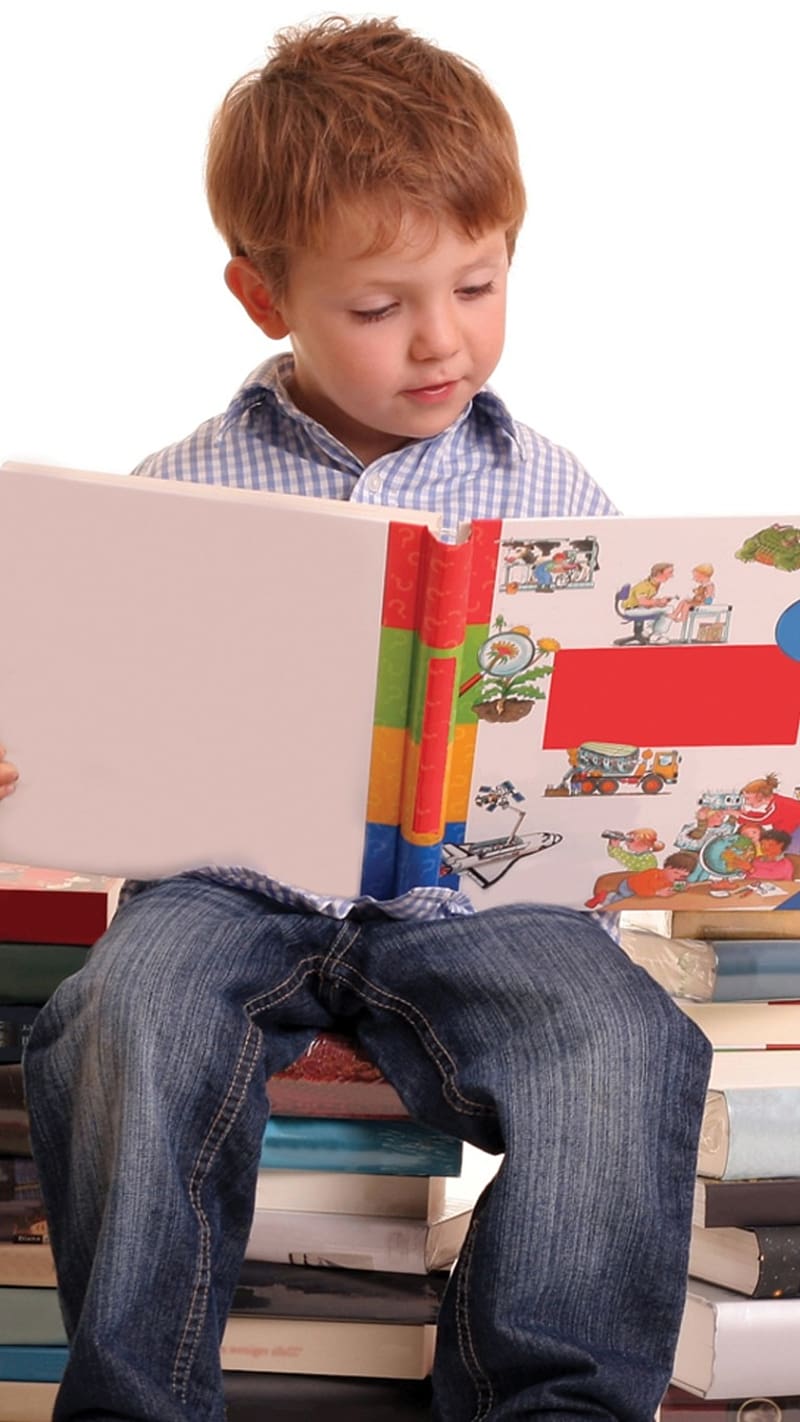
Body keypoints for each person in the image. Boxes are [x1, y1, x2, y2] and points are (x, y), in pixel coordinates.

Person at [2, 18, 711, 1422]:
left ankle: (552, 1401)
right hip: (228, 882)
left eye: (479, 282)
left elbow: (610, 738)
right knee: (120, 1013)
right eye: (380, 306)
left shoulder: (559, 490)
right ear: (263, 296)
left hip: (480, 899)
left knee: (627, 1036)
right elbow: (82, 705)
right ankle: (139, 1397)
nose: (442, 337)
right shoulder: (178, 488)